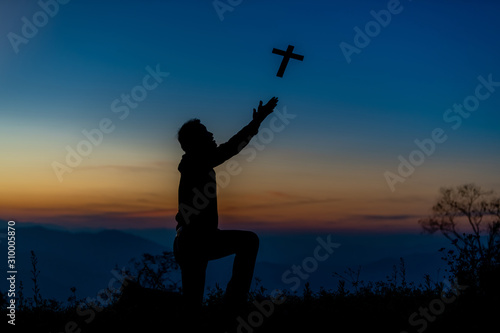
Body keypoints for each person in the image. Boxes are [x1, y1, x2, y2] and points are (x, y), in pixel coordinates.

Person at [173, 97, 279, 321]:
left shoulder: (196, 162)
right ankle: (233, 308)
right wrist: (257, 121)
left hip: (195, 240)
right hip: (194, 242)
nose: (211, 134)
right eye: (205, 132)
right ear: (194, 143)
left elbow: (227, 149)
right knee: (249, 241)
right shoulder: (196, 163)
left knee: (192, 308)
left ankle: (230, 309)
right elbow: (230, 148)